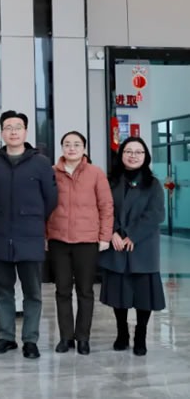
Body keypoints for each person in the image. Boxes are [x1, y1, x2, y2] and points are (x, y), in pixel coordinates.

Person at [0, 110, 57, 360]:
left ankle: (30, 340)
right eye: (8, 127)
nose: (13, 132)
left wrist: (32, 218)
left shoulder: (41, 162)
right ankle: (6, 337)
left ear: (25, 131)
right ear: (1, 132)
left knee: (32, 292)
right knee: (3, 290)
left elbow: (51, 198)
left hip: (30, 235)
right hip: (1, 235)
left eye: (17, 127)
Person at [46, 131, 113, 355]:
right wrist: (45, 235)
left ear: (84, 148)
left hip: (87, 240)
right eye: (67, 144)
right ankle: (66, 337)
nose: (71, 148)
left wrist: (104, 236)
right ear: (62, 148)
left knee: (85, 291)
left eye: (76, 144)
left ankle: (83, 337)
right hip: (58, 240)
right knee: (62, 290)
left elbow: (106, 206)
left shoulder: (95, 173)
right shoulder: (51, 172)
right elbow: (43, 205)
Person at [99, 136, 165, 356]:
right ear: (121, 155)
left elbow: (156, 214)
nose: (133, 156)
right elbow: (103, 209)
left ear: (145, 156)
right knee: (119, 293)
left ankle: (140, 335)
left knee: (144, 295)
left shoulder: (153, 184)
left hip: (143, 246)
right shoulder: (110, 181)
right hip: (116, 244)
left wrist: (132, 236)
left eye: (138, 152)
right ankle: (122, 333)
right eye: (128, 151)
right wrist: (113, 233)